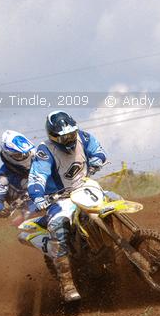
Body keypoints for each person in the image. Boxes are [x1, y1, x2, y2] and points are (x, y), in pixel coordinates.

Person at [27, 110, 108, 302]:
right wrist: (38, 196)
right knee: (58, 226)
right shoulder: (44, 151)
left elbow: (99, 151)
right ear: (53, 137)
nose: (70, 139)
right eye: (64, 137)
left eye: (71, 134)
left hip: (85, 186)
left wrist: (97, 159)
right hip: (60, 199)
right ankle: (67, 284)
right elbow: (37, 177)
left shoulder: (84, 137)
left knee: (113, 199)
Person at [0, 130, 35, 218]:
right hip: (27, 210)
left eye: (26, 153)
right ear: (7, 155)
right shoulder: (3, 176)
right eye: (18, 155)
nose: (24, 157)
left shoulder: (40, 158)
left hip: (53, 198)